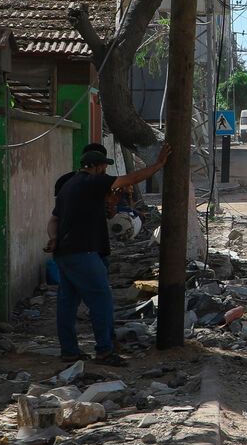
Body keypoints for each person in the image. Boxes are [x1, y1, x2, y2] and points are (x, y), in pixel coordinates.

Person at [47, 143, 168, 366]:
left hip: (65, 253)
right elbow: (130, 179)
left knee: (67, 303)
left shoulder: (68, 185)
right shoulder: (92, 181)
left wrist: (54, 239)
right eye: (104, 166)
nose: (105, 171)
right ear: (97, 167)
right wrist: (158, 165)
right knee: (101, 300)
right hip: (83, 252)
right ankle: (104, 350)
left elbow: (54, 220)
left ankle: (69, 351)